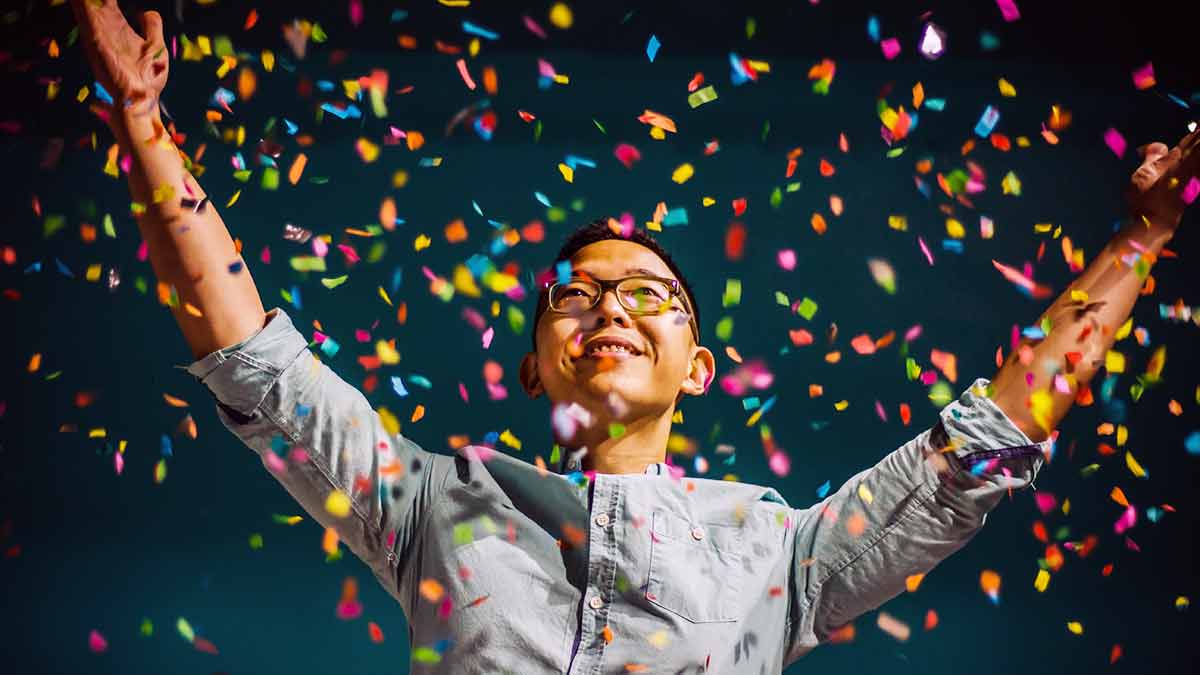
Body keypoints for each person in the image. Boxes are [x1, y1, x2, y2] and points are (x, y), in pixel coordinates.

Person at [71, 1, 1197, 672]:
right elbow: (256, 364)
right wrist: (142, 124)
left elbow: (984, 448)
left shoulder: (781, 556)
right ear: (534, 361)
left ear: (699, 368)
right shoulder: (428, 505)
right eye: (575, 294)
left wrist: (1143, 239)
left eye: (647, 295)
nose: (608, 305)